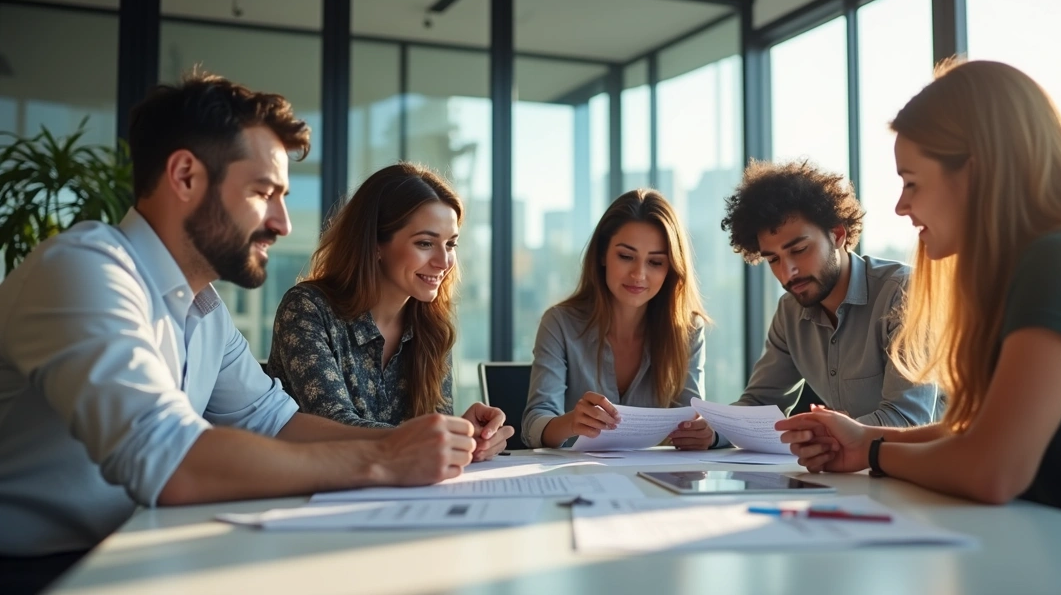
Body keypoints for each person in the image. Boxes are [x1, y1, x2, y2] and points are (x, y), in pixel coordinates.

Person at [0, 73, 478, 592]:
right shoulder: (84, 268)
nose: (282, 222)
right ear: (185, 176)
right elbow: (170, 462)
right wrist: (386, 459)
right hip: (42, 570)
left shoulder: (205, 311)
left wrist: (423, 442)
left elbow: (278, 422)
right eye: (263, 192)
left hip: (143, 551)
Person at [776, 59, 1061, 542]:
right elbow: (977, 429)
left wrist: (874, 453)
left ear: (975, 171)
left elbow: (993, 468)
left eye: (912, 182)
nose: (901, 205)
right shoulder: (1048, 260)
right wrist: (864, 441)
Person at [267, 163, 510, 461]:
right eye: (425, 243)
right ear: (375, 245)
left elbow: (430, 431)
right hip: (311, 492)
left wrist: (466, 436)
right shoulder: (307, 308)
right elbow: (332, 425)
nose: (444, 261)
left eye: (450, 244)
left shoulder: (431, 326)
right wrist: (440, 434)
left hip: (400, 492)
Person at [720, 159, 943, 426]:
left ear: (837, 235)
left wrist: (825, 436)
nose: (787, 272)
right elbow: (760, 404)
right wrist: (714, 431)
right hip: (850, 467)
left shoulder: (904, 293)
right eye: (773, 260)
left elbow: (908, 419)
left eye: (799, 250)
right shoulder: (789, 313)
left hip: (934, 464)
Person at [522, 189, 713, 449]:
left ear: (671, 269)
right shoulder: (559, 323)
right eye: (626, 256)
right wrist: (571, 423)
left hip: (657, 482)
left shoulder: (688, 329)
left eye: (655, 262)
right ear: (602, 254)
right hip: (578, 479)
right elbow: (534, 425)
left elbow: (689, 420)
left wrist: (702, 433)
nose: (639, 274)